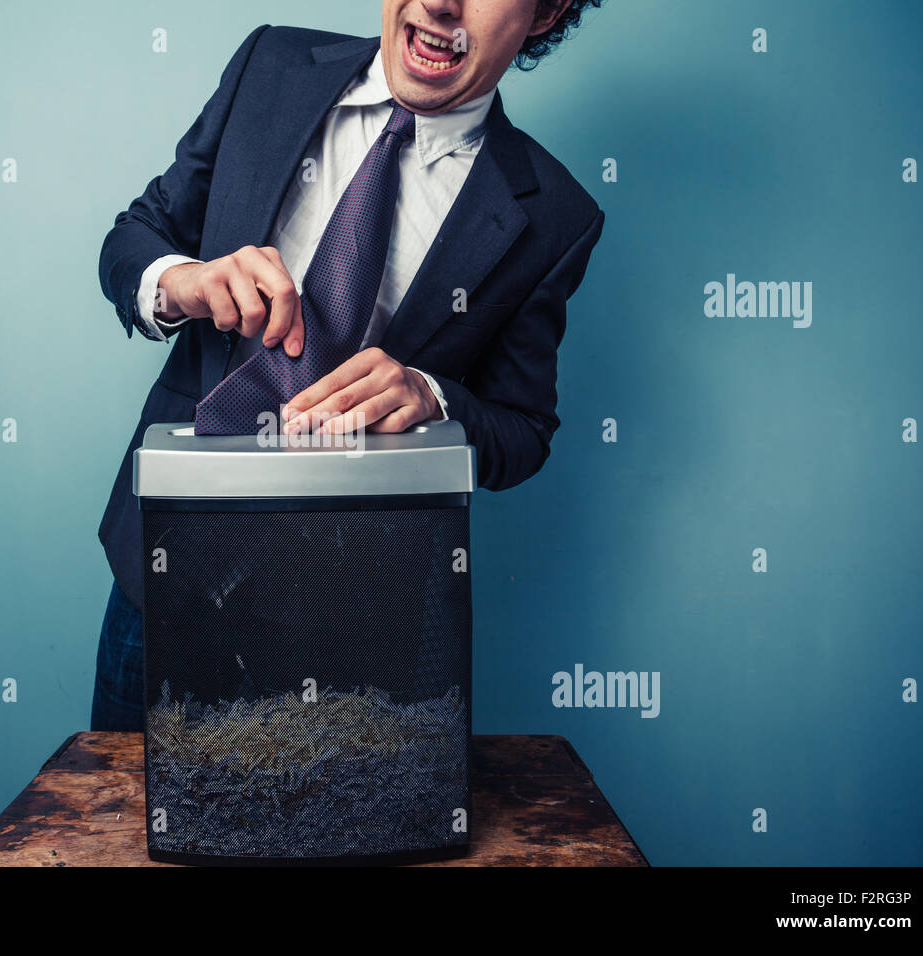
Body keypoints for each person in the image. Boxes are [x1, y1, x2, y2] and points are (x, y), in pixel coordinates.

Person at [91, 0, 607, 731]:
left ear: (547, 12)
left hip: (349, 614)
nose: (439, 3)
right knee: (115, 830)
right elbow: (136, 237)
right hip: (163, 574)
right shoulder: (269, 65)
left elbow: (523, 431)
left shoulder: (554, 214)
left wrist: (433, 396)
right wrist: (183, 282)